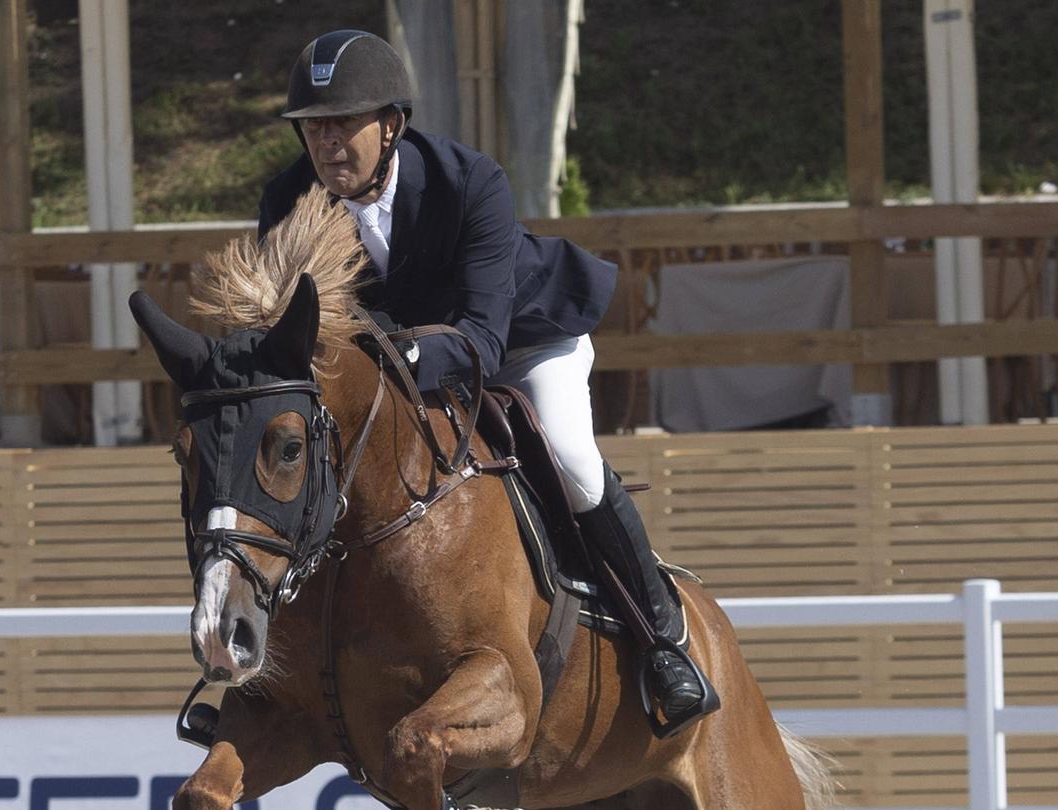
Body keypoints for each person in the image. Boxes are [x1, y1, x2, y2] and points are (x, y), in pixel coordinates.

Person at [256, 29, 716, 734]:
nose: (326, 143)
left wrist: (393, 366)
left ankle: (663, 641)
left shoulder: (469, 181)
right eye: (313, 127)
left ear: (391, 125)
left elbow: (483, 336)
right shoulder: (289, 202)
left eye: (343, 124)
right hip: (403, 371)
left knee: (569, 457)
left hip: (521, 341)